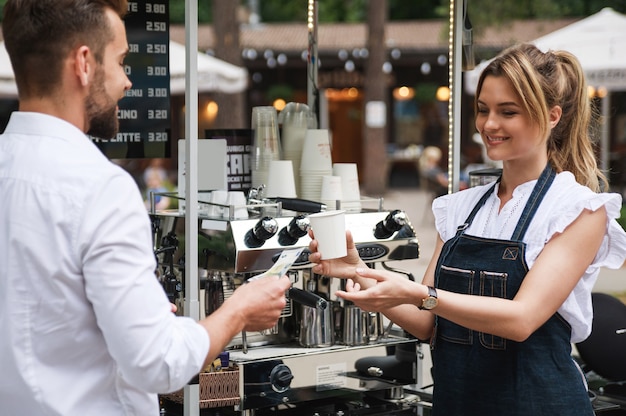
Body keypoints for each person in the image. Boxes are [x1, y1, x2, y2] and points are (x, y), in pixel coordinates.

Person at [0, 1, 291, 415]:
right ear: (84, 64)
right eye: (120, 62)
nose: (127, 83)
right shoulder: (101, 188)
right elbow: (159, 364)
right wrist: (240, 308)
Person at [308, 43, 626, 415]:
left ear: (552, 116)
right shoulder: (460, 208)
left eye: (508, 112)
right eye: (482, 110)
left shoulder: (577, 209)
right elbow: (428, 324)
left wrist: (421, 292)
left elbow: (521, 320)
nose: (489, 124)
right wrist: (359, 271)